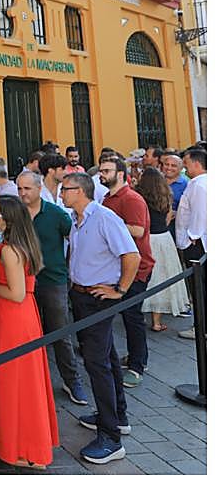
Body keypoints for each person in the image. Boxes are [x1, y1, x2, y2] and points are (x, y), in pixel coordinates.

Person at [60, 173, 139, 464]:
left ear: (80, 191)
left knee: (97, 364)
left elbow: (131, 256)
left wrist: (120, 290)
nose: (62, 194)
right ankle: (116, 416)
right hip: (81, 295)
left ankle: (111, 437)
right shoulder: (76, 220)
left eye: (65, 189)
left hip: (98, 298)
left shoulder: (104, 218)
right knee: (104, 357)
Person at [0, 196, 59, 469]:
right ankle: (22, 443)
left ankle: (18, 446)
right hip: (23, 316)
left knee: (13, 383)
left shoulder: (9, 250)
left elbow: (14, 293)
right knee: (24, 381)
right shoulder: (23, 244)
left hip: (11, 317)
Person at [14, 176, 89, 406]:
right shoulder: (17, 215)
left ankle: (72, 379)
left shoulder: (56, 214)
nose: (23, 192)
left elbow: (75, 239)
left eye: (27, 188)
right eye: (19, 188)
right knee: (25, 335)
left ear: (39, 189)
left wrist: (70, 268)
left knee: (60, 332)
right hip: (23, 282)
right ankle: (28, 383)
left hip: (53, 280)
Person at [98, 155, 154, 388]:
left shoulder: (131, 198)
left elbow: (138, 230)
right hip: (116, 267)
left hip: (136, 267)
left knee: (132, 317)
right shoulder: (106, 198)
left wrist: (108, 224)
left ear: (120, 174)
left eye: (107, 170)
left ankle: (138, 366)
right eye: (101, 170)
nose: (102, 174)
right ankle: (133, 356)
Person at [137, 168, 190, 331]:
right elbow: (168, 218)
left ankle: (140, 312)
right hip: (164, 238)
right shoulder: (167, 195)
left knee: (146, 277)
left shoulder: (139, 197)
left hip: (146, 239)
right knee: (163, 277)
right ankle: (157, 321)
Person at [175, 148, 207, 340]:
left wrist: (191, 235)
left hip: (197, 243)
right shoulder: (200, 183)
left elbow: (200, 213)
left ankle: (202, 327)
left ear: (196, 163)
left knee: (200, 287)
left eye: (186, 162)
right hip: (198, 241)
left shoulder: (199, 185)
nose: (184, 166)